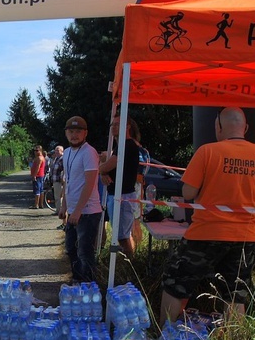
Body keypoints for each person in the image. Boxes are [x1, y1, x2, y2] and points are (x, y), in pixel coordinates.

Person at [159, 107, 255, 323]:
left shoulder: (207, 151)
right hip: (246, 235)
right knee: (235, 292)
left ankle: (165, 336)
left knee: (176, 284)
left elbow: (188, 192)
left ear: (218, 127)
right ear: (245, 128)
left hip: (206, 232)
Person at [58, 116, 103, 283]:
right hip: (74, 211)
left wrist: (77, 211)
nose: (74, 135)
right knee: (70, 248)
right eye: (71, 131)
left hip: (88, 211)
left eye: (78, 131)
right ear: (66, 133)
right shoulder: (67, 153)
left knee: (85, 251)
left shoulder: (89, 152)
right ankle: (77, 280)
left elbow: (90, 183)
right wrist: (64, 206)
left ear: (85, 133)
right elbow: (67, 181)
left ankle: (89, 286)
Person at [99, 115, 140, 258]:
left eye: (117, 124)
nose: (113, 127)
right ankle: (127, 262)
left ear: (127, 126)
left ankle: (130, 264)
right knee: (121, 233)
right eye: (112, 125)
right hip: (117, 194)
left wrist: (101, 169)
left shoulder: (127, 145)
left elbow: (108, 165)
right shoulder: (121, 145)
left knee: (122, 235)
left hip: (122, 196)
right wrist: (104, 172)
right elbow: (108, 167)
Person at [51, 145, 66, 229]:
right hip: (55, 180)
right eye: (55, 150)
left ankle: (61, 211)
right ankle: (58, 210)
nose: (56, 152)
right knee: (57, 197)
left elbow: (64, 170)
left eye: (58, 150)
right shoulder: (56, 159)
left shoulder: (62, 158)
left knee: (60, 197)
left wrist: (62, 180)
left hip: (60, 181)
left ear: (62, 151)